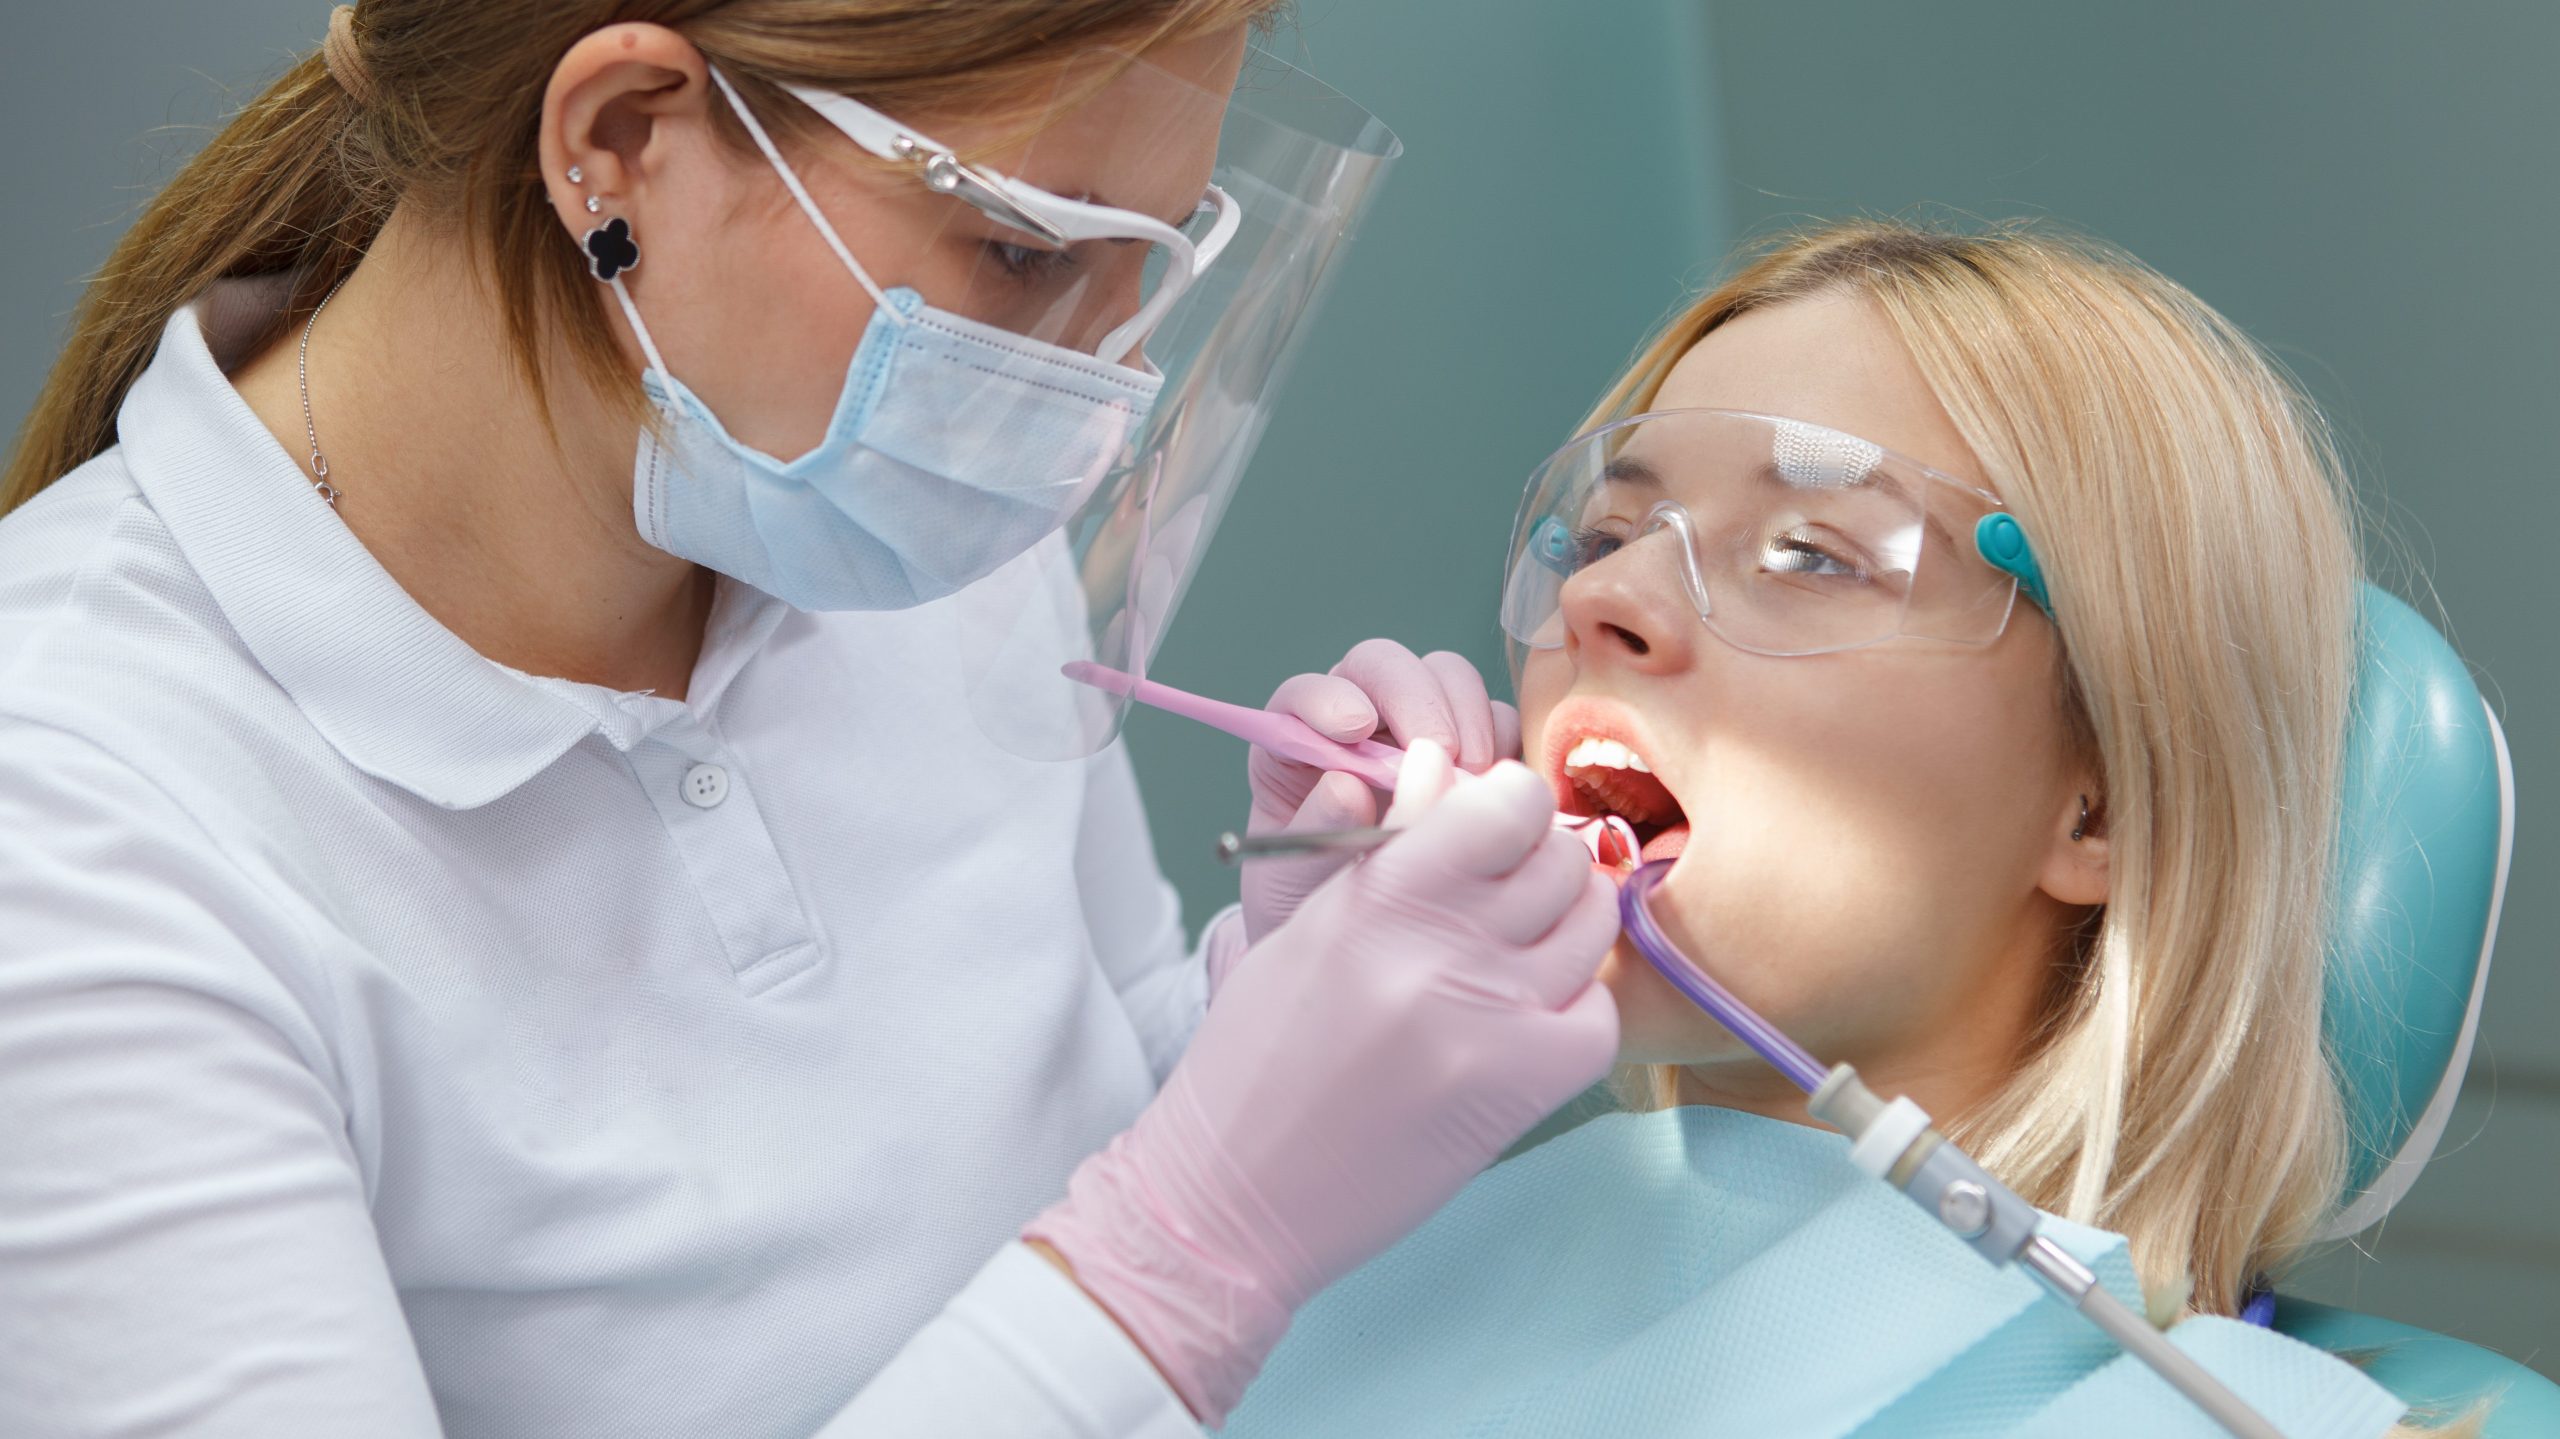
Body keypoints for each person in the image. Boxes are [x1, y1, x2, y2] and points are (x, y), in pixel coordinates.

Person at [0, 5, 1621, 1435]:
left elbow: (1071, 1130)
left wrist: (1269, 1019)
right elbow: (1147, 1256)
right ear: (618, 138)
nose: (1098, 387)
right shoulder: (73, 815)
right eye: (1028, 251)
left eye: (1159, 258)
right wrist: (1188, 1243)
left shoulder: (872, 498)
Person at [1220, 220, 2495, 1436]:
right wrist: (1247, 1099)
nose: (1604, 595)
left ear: (2101, 800)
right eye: (1603, 533)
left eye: (1809, 553)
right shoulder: (1366, 1266)